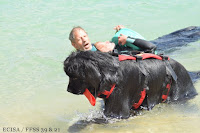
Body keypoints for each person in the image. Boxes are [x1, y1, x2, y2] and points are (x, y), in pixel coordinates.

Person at [69, 25, 156, 54]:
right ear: (74, 44)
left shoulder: (98, 47)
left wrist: (126, 36)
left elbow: (151, 47)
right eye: (80, 39)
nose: (84, 40)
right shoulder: (80, 58)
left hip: (154, 46)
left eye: (85, 36)